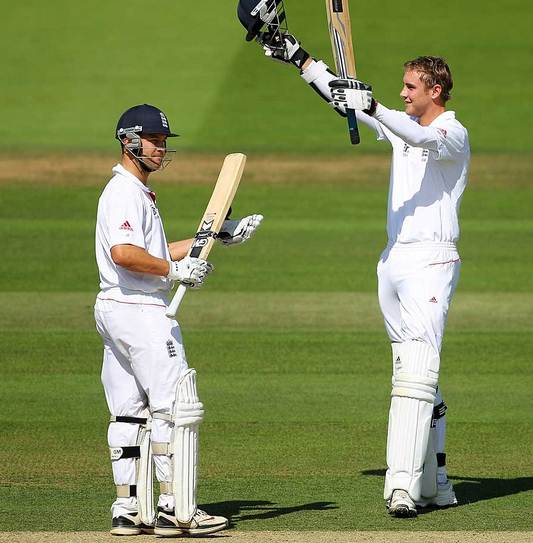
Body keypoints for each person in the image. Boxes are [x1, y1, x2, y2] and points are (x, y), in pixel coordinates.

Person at [237, 0, 468, 518]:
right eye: (401, 87)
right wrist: (298, 58)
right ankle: (439, 481)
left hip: (432, 259)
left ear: (435, 91)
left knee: (417, 372)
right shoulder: (402, 125)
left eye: (411, 88)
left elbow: (415, 132)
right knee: (413, 369)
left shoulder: (451, 133)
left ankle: (402, 488)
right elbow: (345, 99)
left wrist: (376, 107)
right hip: (393, 262)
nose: (403, 94)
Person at [94, 103, 263, 536]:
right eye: (154, 140)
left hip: (117, 308)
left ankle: (128, 509)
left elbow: (153, 250)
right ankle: (175, 508)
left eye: (163, 141)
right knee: (174, 407)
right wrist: (173, 273)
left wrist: (213, 237)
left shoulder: (136, 193)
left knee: (128, 412)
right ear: (129, 140)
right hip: (141, 310)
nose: (160, 148)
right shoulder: (124, 192)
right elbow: (125, 255)